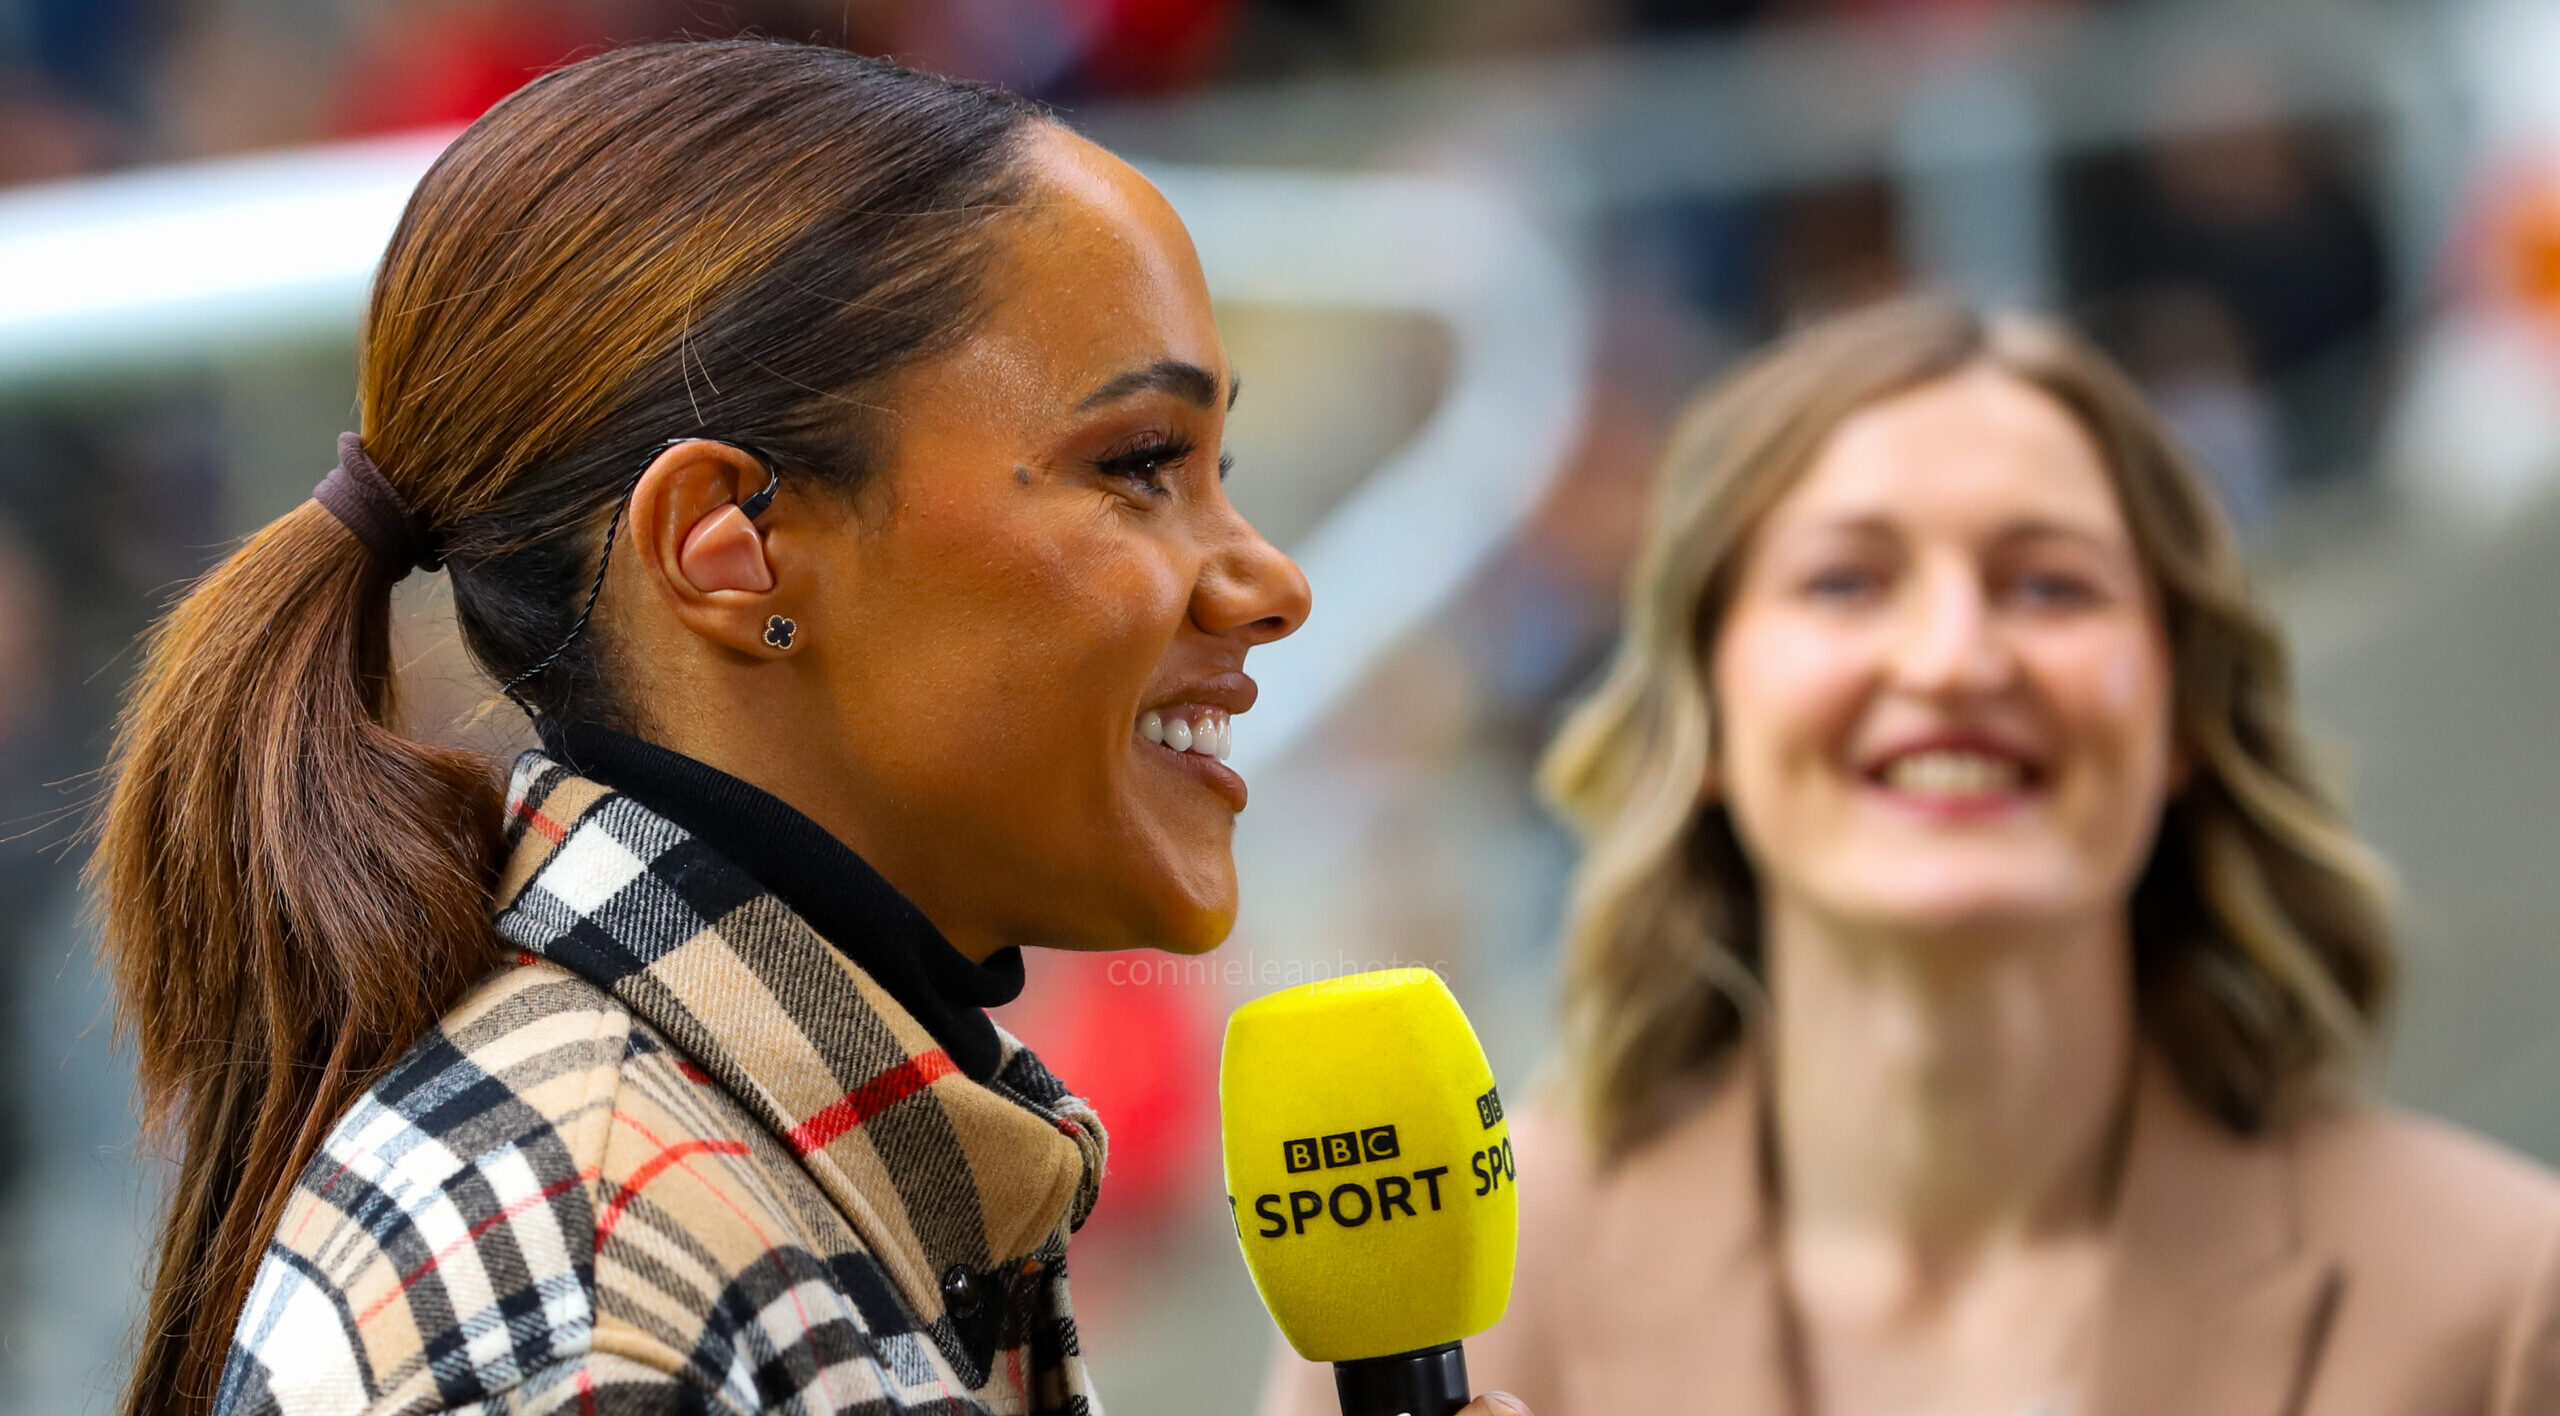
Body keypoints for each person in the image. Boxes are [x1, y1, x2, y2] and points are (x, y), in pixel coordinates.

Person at [80, 38, 1467, 1416]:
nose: (1271, 583)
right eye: (1141, 465)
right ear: (727, 548)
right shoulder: (587, 1305)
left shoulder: (707, 1201)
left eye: (1216, 470)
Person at [1261, 298, 2560, 1416]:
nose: (1952, 659)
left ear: (2180, 713)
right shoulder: (1444, 1297)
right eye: (1846, 581)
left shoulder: (2503, 1305)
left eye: (2049, 585)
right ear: (1703, 711)